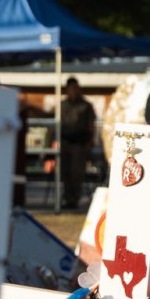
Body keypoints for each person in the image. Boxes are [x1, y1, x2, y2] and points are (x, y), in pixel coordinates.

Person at [57, 78, 97, 209]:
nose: (74, 90)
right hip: (65, 143)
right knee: (65, 172)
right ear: (66, 89)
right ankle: (68, 198)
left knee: (77, 173)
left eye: (76, 87)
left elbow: (92, 126)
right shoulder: (62, 106)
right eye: (71, 88)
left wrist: (90, 142)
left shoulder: (86, 106)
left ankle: (74, 199)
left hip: (80, 144)